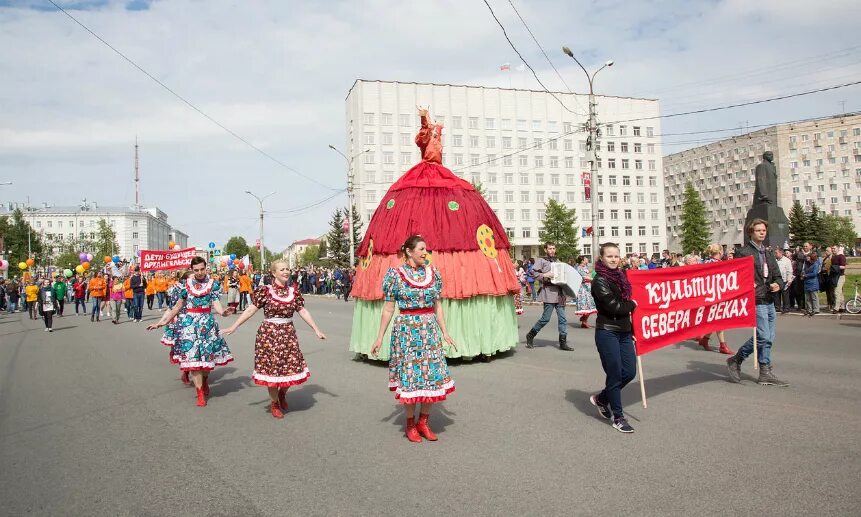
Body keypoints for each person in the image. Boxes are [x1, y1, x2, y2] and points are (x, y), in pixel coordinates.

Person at [370, 235, 456, 443]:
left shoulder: (433, 273)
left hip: (429, 331)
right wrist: (379, 337)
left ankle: (423, 422)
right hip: (407, 332)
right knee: (410, 379)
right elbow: (389, 308)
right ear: (409, 251)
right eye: (421, 249)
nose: (425, 253)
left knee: (432, 378)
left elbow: (437, 305)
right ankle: (410, 424)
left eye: (426, 249)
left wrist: (445, 332)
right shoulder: (396, 275)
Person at [222, 260, 327, 419]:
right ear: (274, 273)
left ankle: (282, 394)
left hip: (288, 334)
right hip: (268, 335)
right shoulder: (265, 291)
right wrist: (234, 326)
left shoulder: (294, 292)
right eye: (282, 269)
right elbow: (251, 309)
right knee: (272, 371)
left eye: (287, 269)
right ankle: (274, 402)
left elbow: (303, 311)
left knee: (291, 368)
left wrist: (316, 329)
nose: (286, 272)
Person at [147, 257, 233, 407]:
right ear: (192, 270)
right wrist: (161, 323)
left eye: (202, 269)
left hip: (207, 324)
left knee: (206, 359)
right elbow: (177, 307)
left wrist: (223, 312)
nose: (199, 272)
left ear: (206, 268)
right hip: (189, 325)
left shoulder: (212, 285)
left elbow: (217, 305)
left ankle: (205, 380)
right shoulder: (185, 286)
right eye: (196, 270)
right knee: (193, 361)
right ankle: (199, 392)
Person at [726, 219, 788, 387]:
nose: (762, 232)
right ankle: (741, 361)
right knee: (763, 336)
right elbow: (737, 276)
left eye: (764, 230)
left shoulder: (768, 253)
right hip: (756, 299)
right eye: (758, 230)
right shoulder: (743, 252)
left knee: (769, 338)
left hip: (769, 299)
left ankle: (763, 371)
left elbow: (777, 276)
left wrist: (778, 284)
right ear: (751, 233)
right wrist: (748, 284)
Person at [588, 242, 637, 433]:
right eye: (609, 256)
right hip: (607, 331)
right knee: (615, 374)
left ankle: (602, 398)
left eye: (616, 256)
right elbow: (614, 307)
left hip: (625, 332)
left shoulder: (622, 277)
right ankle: (618, 417)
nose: (614, 259)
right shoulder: (599, 281)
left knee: (629, 372)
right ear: (601, 258)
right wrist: (632, 304)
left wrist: (633, 330)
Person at [525, 242, 573, 351]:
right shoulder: (541, 261)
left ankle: (562, 342)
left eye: (553, 248)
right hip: (549, 292)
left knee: (563, 319)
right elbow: (531, 272)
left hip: (560, 293)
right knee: (545, 319)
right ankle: (530, 335)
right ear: (546, 249)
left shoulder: (558, 262)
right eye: (550, 248)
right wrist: (545, 275)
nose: (552, 250)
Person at [696, 244, 734, 355]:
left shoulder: (705, 262)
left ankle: (705, 339)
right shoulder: (718, 264)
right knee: (719, 320)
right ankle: (723, 345)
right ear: (720, 252)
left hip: (710, 295)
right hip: (716, 295)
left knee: (715, 319)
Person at [574, 255, 597, 328]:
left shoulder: (585, 267)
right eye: (585, 259)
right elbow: (584, 277)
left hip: (588, 287)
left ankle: (584, 319)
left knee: (590, 304)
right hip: (583, 288)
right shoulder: (579, 268)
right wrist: (593, 279)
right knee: (586, 305)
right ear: (582, 261)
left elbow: (588, 274)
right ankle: (584, 321)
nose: (587, 259)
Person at [774, 248, 794, 314]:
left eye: (776, 253)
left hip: (784, 280)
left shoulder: (786, 260)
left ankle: (786, 308)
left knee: (785, 295)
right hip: (776, 280)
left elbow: (789, 271)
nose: (775, 254)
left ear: (781, 253)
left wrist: (789, 280)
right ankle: (777, 307)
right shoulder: (774, 260)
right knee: (776, 294)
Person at [802, 251, 821, 317]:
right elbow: (804, 270)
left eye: (808, 257)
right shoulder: (807, 263)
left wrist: (806, 275)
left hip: (813, 282)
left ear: (811, 258)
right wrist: (803, 274)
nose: (807, 258)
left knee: (814, 297)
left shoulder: (816, 264)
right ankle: (809, 309)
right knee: (807, 298)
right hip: (807, 282)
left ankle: (816, 309)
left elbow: (814, 273)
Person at [832, 246, 847, 313]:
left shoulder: (841, 256)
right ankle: (843, 307)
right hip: (835, 276)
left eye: (834, 248)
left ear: (838, 249)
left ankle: (836, 308)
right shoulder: (833, 257)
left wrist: (835, 267)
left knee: (837, 292)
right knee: (840, 293)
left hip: (840, 276)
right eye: (832, 248)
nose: (833, 250)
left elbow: (843, 266)